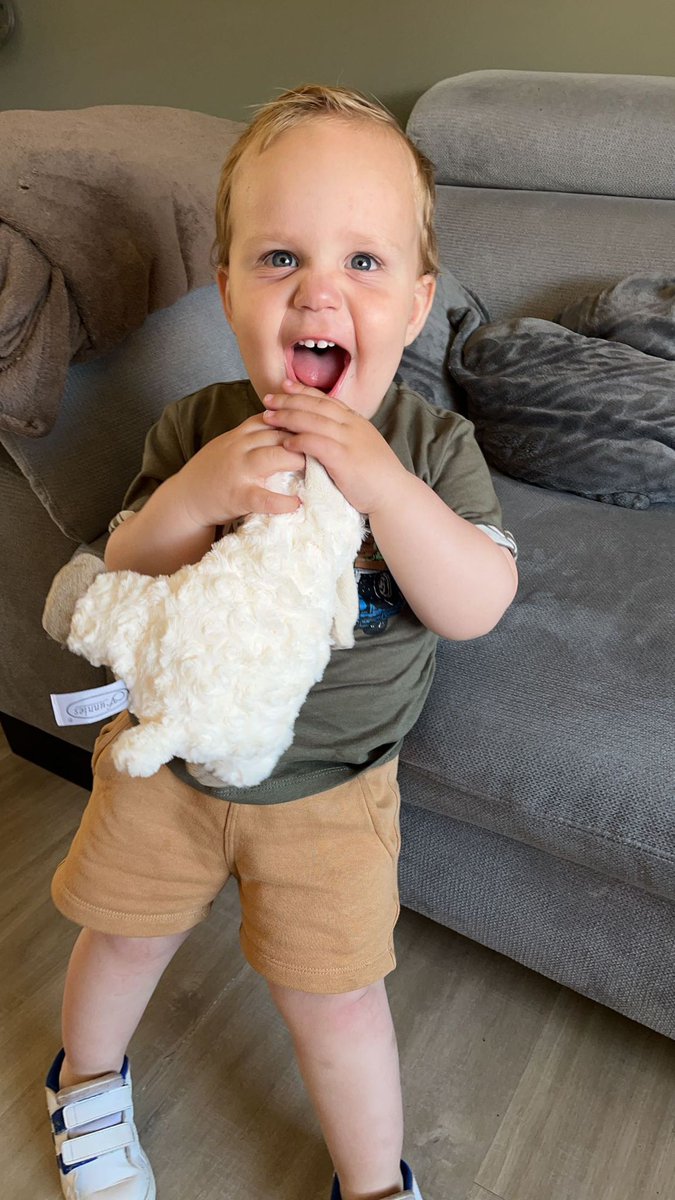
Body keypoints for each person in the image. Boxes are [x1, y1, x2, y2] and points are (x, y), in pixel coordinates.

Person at [45, 84, 518, 1200]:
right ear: (226, 291)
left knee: (338, 999)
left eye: (364, 263)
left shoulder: (431, 446)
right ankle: (88, 1082)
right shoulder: (197, 429)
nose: (319, 290)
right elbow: (125, 573)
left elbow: (476, 600)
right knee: (119, 940)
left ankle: (372, 1181)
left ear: (415, 304)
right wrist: (196, 494)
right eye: (277, 259)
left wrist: (384, 488)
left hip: (333, 798)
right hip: (169, 762)